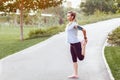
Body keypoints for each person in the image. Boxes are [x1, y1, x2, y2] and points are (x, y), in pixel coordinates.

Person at [65, 11, 88, 79]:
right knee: (74, 59)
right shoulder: (69, 24)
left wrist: (85, 38)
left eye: (68, 16)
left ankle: (83, 46)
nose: (67, 17)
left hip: (76, 44)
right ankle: (75, 74)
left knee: (81, 58)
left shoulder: (74, 25)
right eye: (67, 16)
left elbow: (84, 30)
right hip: (71, 44)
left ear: (72, 17)